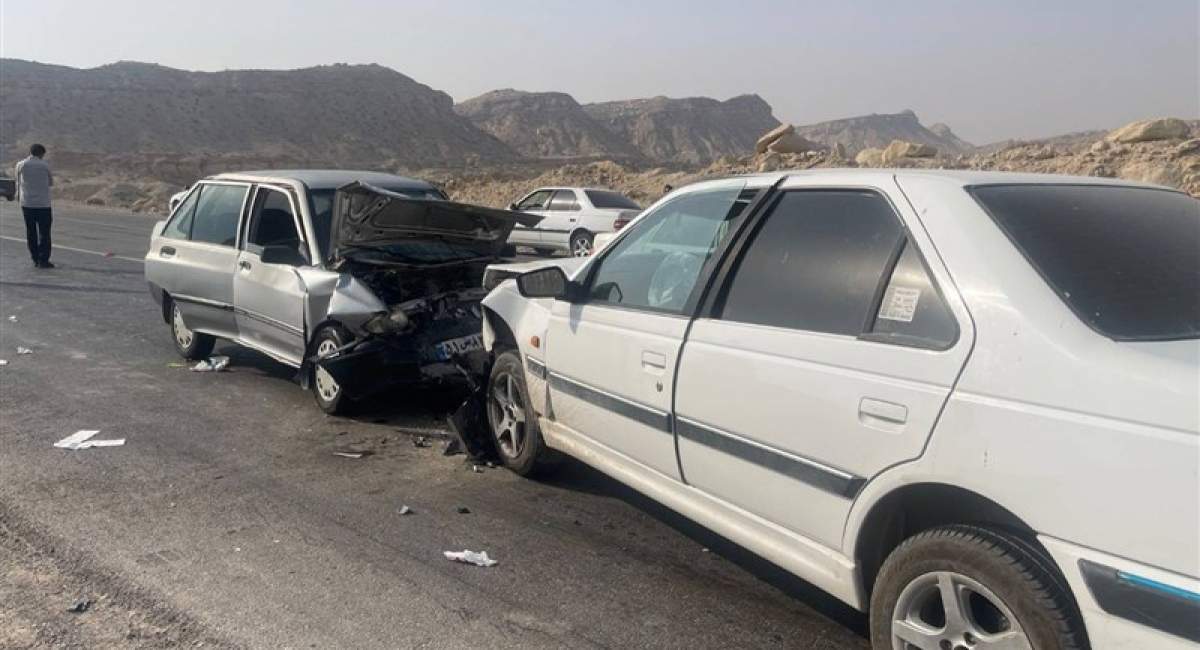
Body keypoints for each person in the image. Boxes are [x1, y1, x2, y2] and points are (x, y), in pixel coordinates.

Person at [15, 143, 55, 268]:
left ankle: (35, 258)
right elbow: (51, 182)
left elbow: (17, 181)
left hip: (27, 203)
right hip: (43, 204)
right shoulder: (44, 165)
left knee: (31, 231)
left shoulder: (21, 164)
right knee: (44, 232)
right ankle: (44, 260)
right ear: (41, 153)